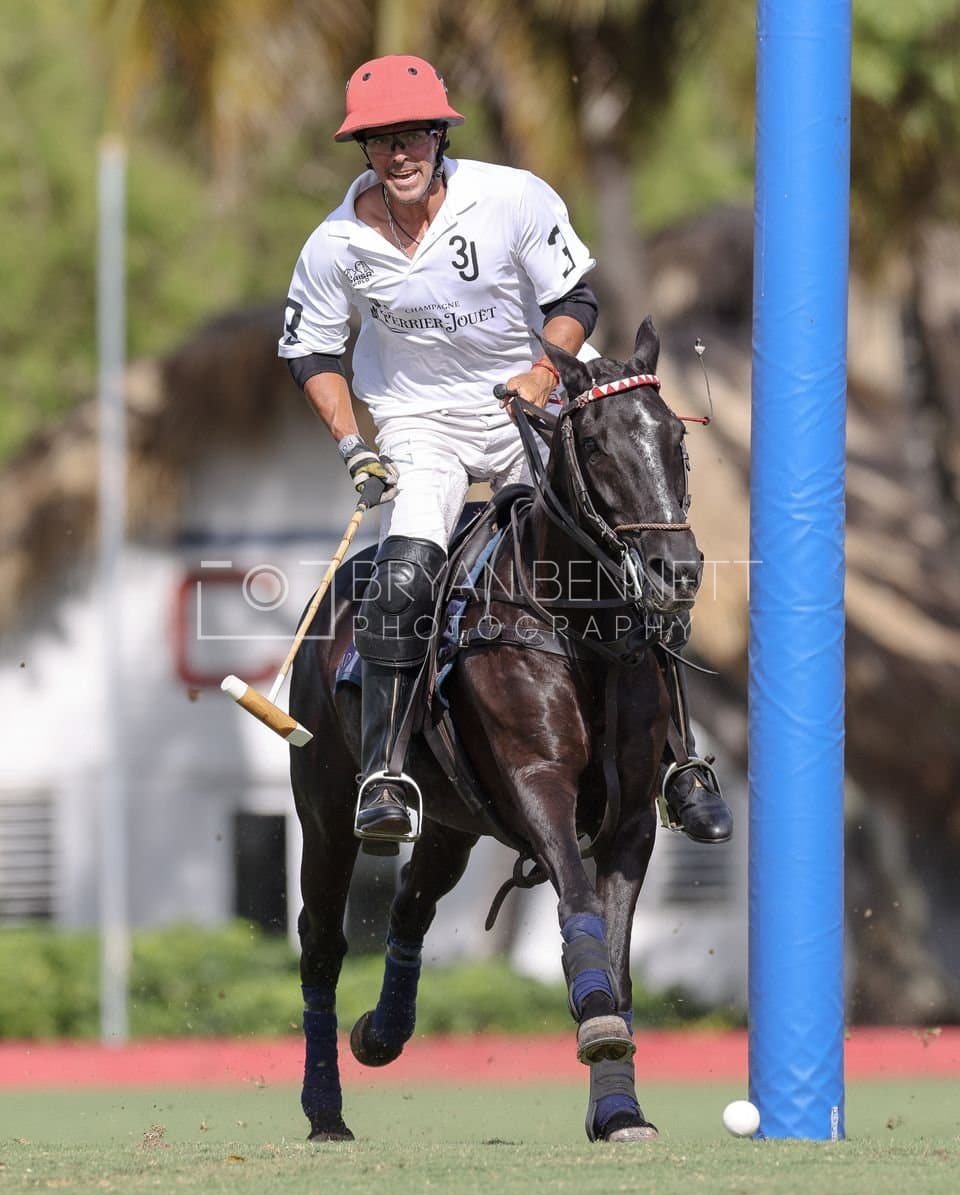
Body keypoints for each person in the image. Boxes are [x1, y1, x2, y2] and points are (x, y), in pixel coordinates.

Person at [279, 54, 731, 848]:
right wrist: (355, 445)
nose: (400, 153)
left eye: (414, 134)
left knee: (630, 555)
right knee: (404, 575)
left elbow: (574, 299)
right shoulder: (335, 244)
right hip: (423, 426)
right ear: (365, 152)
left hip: (536, 404)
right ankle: (386, 773)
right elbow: (312, 352)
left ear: (439, 134)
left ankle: (679, 761)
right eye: (381, 140)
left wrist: (539, 369)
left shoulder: (512, 197)